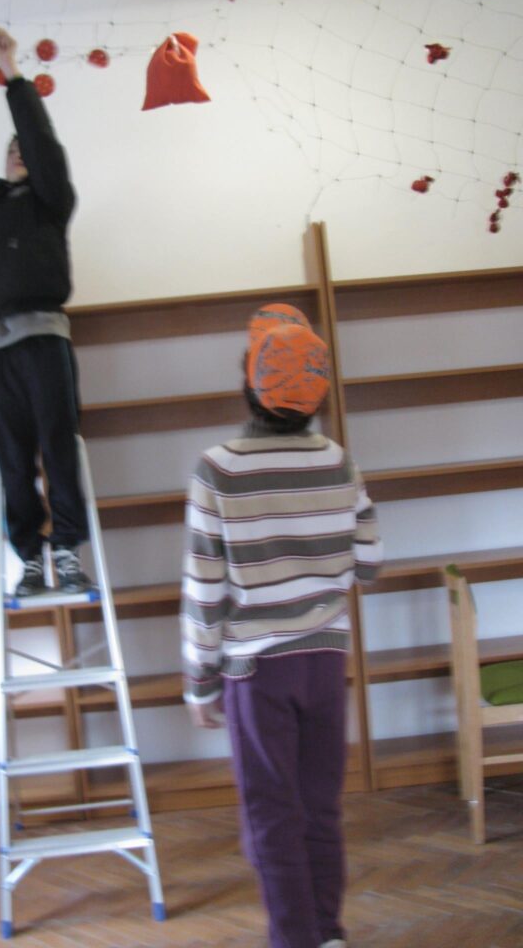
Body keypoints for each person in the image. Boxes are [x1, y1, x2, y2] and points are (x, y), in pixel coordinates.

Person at [180, 303, 383, 948]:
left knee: (271, 815)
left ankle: (295, 939)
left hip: (256, 671)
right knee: (321, 808)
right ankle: (328, 933)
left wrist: (200, 684)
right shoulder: (339, 461)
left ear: (249, 382)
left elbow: (205, 591)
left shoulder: (218, 469)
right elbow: (370, 564)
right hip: (325, 662)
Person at [0, 27, 92, 597]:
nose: (19, 154)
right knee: (13, 457)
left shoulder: (52, 201)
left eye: (25, 151)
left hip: (44, 340)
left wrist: (11, 73)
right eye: (11, 151)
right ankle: (30, 558)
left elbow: (41, 140)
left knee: (58, 446)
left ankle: (67, 552)